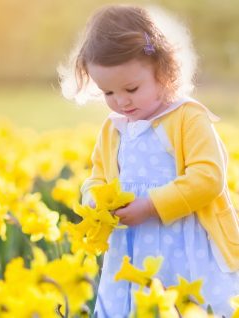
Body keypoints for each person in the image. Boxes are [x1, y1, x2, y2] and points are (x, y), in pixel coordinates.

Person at [59, 4, 239, 318]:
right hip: (130, 248)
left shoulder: (187, 117)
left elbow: (208, 178)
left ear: (163, 71)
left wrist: (152, 206)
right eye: (108, 92)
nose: (120, 101)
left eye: (131, 88)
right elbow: (98, 177)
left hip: (186, 243)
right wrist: (93, 200)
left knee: (185, 307)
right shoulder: (114, 127)